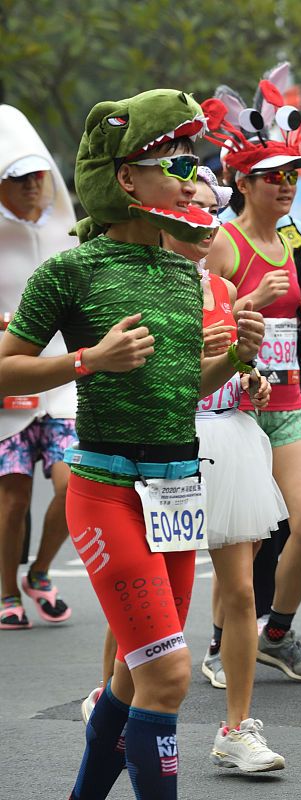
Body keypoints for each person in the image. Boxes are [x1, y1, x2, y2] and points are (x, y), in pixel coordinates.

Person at [0, 88, 265, 800]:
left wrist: (236, 359)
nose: (190, 176)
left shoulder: (186, 275)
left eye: (194, 162)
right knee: (170, 675)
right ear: (126, 178)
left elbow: (180, 389)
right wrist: (88, 360)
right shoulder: (71, 269)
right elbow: (6, 364)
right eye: (175, 162)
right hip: (106, 490)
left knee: (130, 677)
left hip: (178, 492)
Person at [203, 90, 301, 682]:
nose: (285, 186)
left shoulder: (293, 240)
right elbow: (205, 320)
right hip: (236, 409)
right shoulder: (224, 241)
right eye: (272, 177)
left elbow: (297, 321)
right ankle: (217, 644)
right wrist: (249, 300)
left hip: (287, 402)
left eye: (290, 176)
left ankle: (276, 633)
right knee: (244, 541)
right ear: (244, 183)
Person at [162, 167, 287, 772]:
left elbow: (224, 373)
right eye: (190, 211)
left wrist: (250, 379)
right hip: (164, 444)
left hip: (230, 441)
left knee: (238, 590)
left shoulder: (218, 287)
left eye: (211, 214)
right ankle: (115, 698)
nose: (203, 225)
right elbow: (160, 384)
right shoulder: (138, 285)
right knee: (156, 589)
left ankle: (237, 728)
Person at [0, 104, 79, 631]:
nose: (32, 187)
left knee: (73, 484)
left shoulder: (70, 236)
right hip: (6, 391)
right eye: (17, 178)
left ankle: (41, 572)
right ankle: (7, 592)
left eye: (38, 176)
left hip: (61, 384)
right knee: (12, 498)